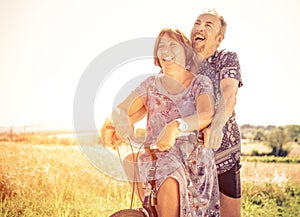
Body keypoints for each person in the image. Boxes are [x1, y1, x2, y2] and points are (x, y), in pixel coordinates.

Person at [101, 28, 220, 217]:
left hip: (191, 162)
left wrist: (177, 126)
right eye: (161, 47)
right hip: (157, 157)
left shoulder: (199, 82)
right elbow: (121, 109)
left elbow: (207, 114)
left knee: (168, 170)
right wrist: (122, 122)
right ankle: (152, 211)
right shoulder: (150, 84)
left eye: (173, 45)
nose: (166, 51)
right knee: (132, 161)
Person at [190, 9, 243, 217]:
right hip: (189, 158)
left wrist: (217, 125)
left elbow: (229, 93)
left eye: (208, 25)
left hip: (223, 156)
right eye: (197, 23)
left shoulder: (225, 58)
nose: (200, 28)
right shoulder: (179, 64)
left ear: (219, 39)